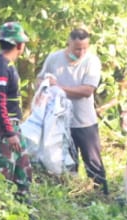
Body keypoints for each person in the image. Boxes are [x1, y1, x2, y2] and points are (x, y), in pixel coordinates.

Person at [40, 27, 107, 194]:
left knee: (93, 161)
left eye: (85, 47)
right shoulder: (54, 58)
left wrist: (59, 88)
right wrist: (44, 88)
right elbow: (40, 78)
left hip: (84, 121)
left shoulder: (91, 61)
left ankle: (101, 194)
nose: (81, 52)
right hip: (60, 121)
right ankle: (72, 194)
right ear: (69, 43)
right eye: (78, 48)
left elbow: (87, 91)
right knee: (68, 162)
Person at [0, 22, 32, 197]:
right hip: (1, 129)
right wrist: (9, 132)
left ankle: (25, 214)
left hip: (12, 126)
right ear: (20, 45)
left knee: (23, 171)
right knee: (1, 177)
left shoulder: (7, 65)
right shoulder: (1, 67)